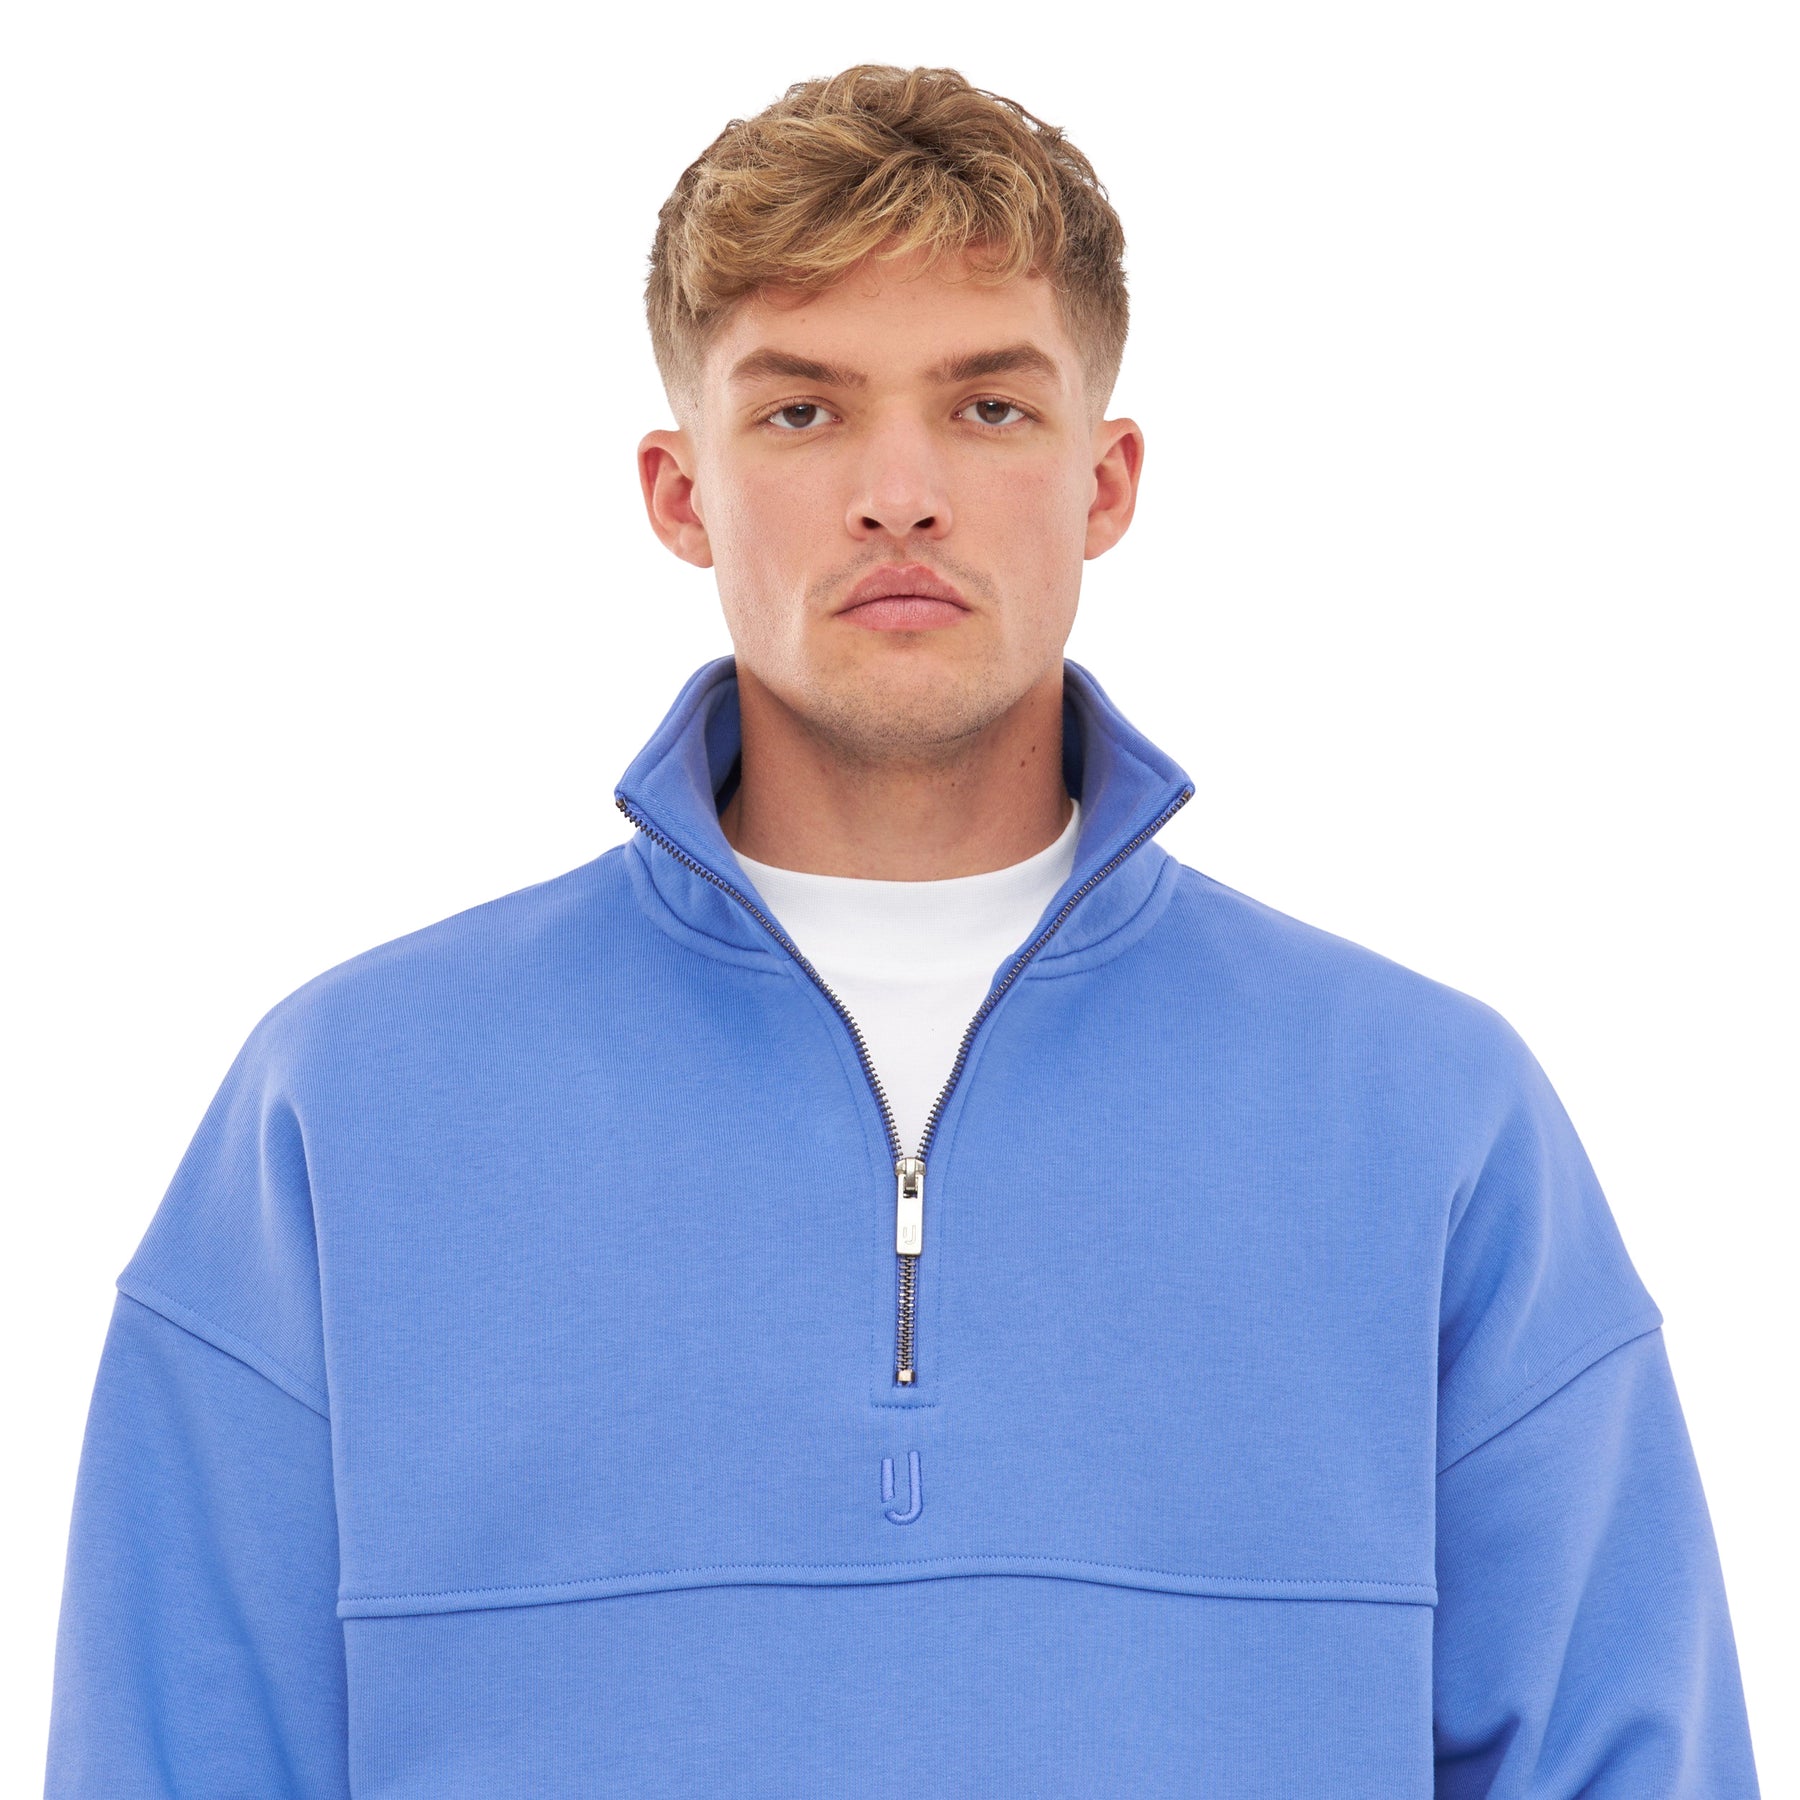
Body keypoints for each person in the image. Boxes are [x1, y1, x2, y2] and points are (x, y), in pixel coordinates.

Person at [44, 63, 1760, 1799]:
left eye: (989, 407)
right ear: (679, 491)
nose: (900, 492)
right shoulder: (349, 1105)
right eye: (802, 413)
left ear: (1106, 481)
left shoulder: (1428, 1114)